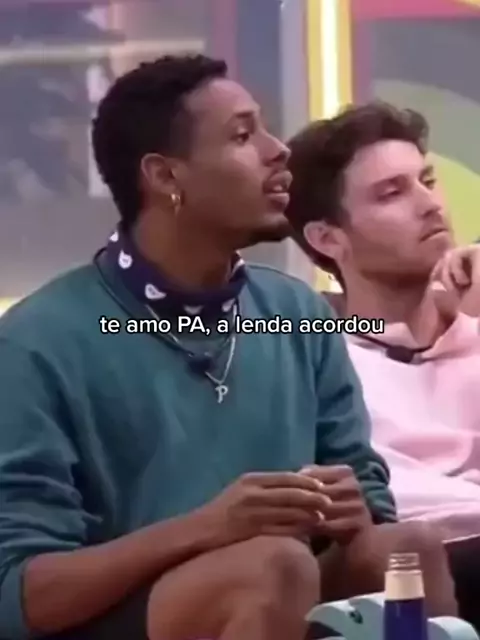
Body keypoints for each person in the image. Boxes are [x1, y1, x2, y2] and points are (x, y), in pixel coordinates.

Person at [0, 59, 457, 640]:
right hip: (118, 618)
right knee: (272, 565)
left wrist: (351, 512)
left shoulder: (296, 312)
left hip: (285, 591)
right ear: (165, 176)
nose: (277, 151)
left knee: (408, 549)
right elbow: (17, 595)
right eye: (243, 136)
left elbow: (367, 494)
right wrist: (208, 527)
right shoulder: (37, 342)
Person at [285, 101, 480, 629]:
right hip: (421, 563)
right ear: (328, 238)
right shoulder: (317, 358)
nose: (431, 205)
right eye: (392, 193)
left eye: (428, 181)